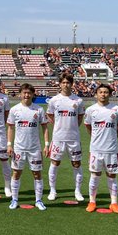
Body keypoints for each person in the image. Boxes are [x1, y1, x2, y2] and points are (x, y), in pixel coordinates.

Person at [6, 83, 49, 210]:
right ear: (20, 94)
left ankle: (39, 200)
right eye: (24, 93)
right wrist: (9, 145)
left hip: (35, 148)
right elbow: (10, 128)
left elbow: (45, 127)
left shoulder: (39, 109)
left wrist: (46, 145)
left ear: (33, 94)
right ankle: (14, 199)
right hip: (19, 148)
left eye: (29, 93)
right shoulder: (14, 110)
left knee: (37, 174)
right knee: (16, 173)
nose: (26, 95)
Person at [84, 83, 118, 214]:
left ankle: (114, 203)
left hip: (111, 149)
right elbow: (88, 126)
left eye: (106, 92)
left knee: (112, 175)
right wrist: (96, 138)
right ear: (96, 94)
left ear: (110, 94)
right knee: (95, 175)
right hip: (96, 149)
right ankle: (92, 202)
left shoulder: (116, 109)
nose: (103, 94)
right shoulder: (90, 110)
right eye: (100, 92)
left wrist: (113, 138)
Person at [45, 72, 85, 202]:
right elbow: (50, 115)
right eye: (63, 82)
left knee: (76, 164)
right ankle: (52, 190)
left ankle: (77, 191)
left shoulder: (78, 100)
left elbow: (80, 117)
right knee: (55, 163)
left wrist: (72, 127)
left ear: (72, 84)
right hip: (58, 138)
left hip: (73, 138)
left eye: (68, 82)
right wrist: (59, 125)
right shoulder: (54, 100)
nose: (66, 85)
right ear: (60, 84)